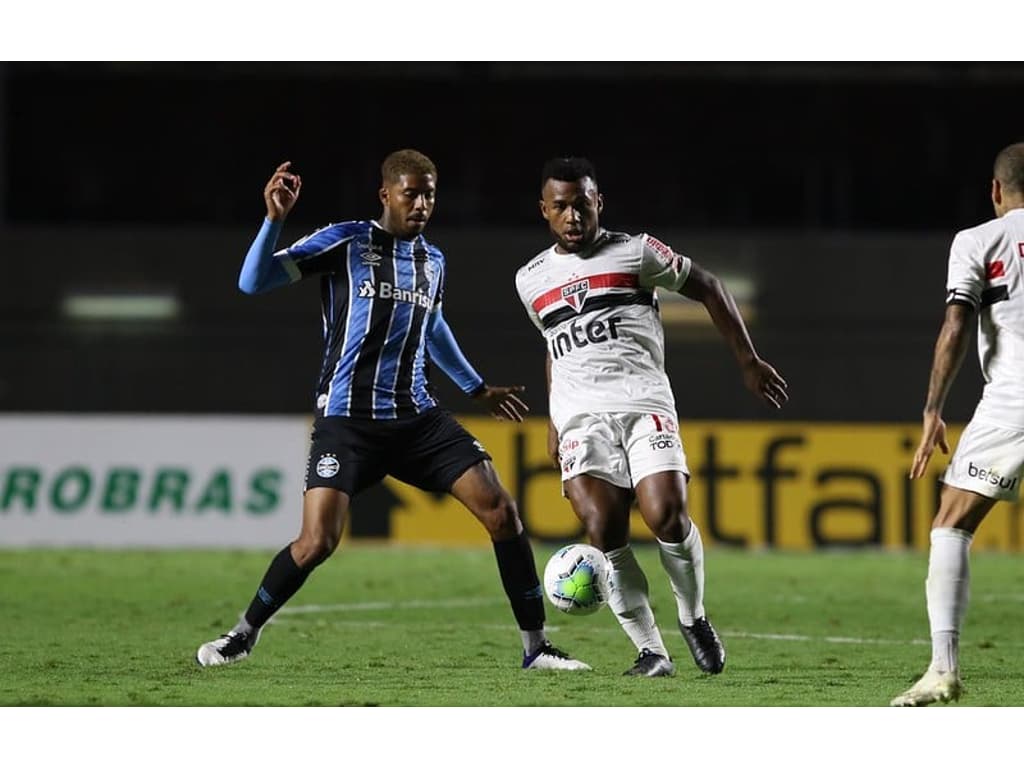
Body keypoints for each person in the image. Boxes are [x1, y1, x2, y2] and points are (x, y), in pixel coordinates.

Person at [196, 150, 589, 672]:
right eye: (412, 193)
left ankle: (535, 647)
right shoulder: (346, 242)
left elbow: (434, 329)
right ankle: (242, 635)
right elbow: (253, 281)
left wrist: (476, 389)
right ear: (386, 194)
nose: (422, 204)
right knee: (316, 542)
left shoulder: (434, 262)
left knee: (501, 511)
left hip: (417, 418)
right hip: (348, 422)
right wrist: (274, 220)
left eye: (430, 194)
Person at [514, 157, 788, 677]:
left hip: (643, 405)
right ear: (544, 211)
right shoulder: (530, 279)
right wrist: (553, 419)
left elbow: (709, 285)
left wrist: (747, 361)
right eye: (561, 206)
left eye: (582, 203)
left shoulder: (636, 251)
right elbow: (555, 345)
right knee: (603, 526)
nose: (573, 216)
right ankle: (652, 652)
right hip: (580, 420)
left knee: (666, 515)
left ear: (600, 203)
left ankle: (693, 616)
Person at [890, 142, 1024, 706]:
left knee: (952, 522)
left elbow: (955, 327)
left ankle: (943, 670)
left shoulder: (978, 240)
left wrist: (931, 410)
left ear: (996, 191)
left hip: (1013, 399)